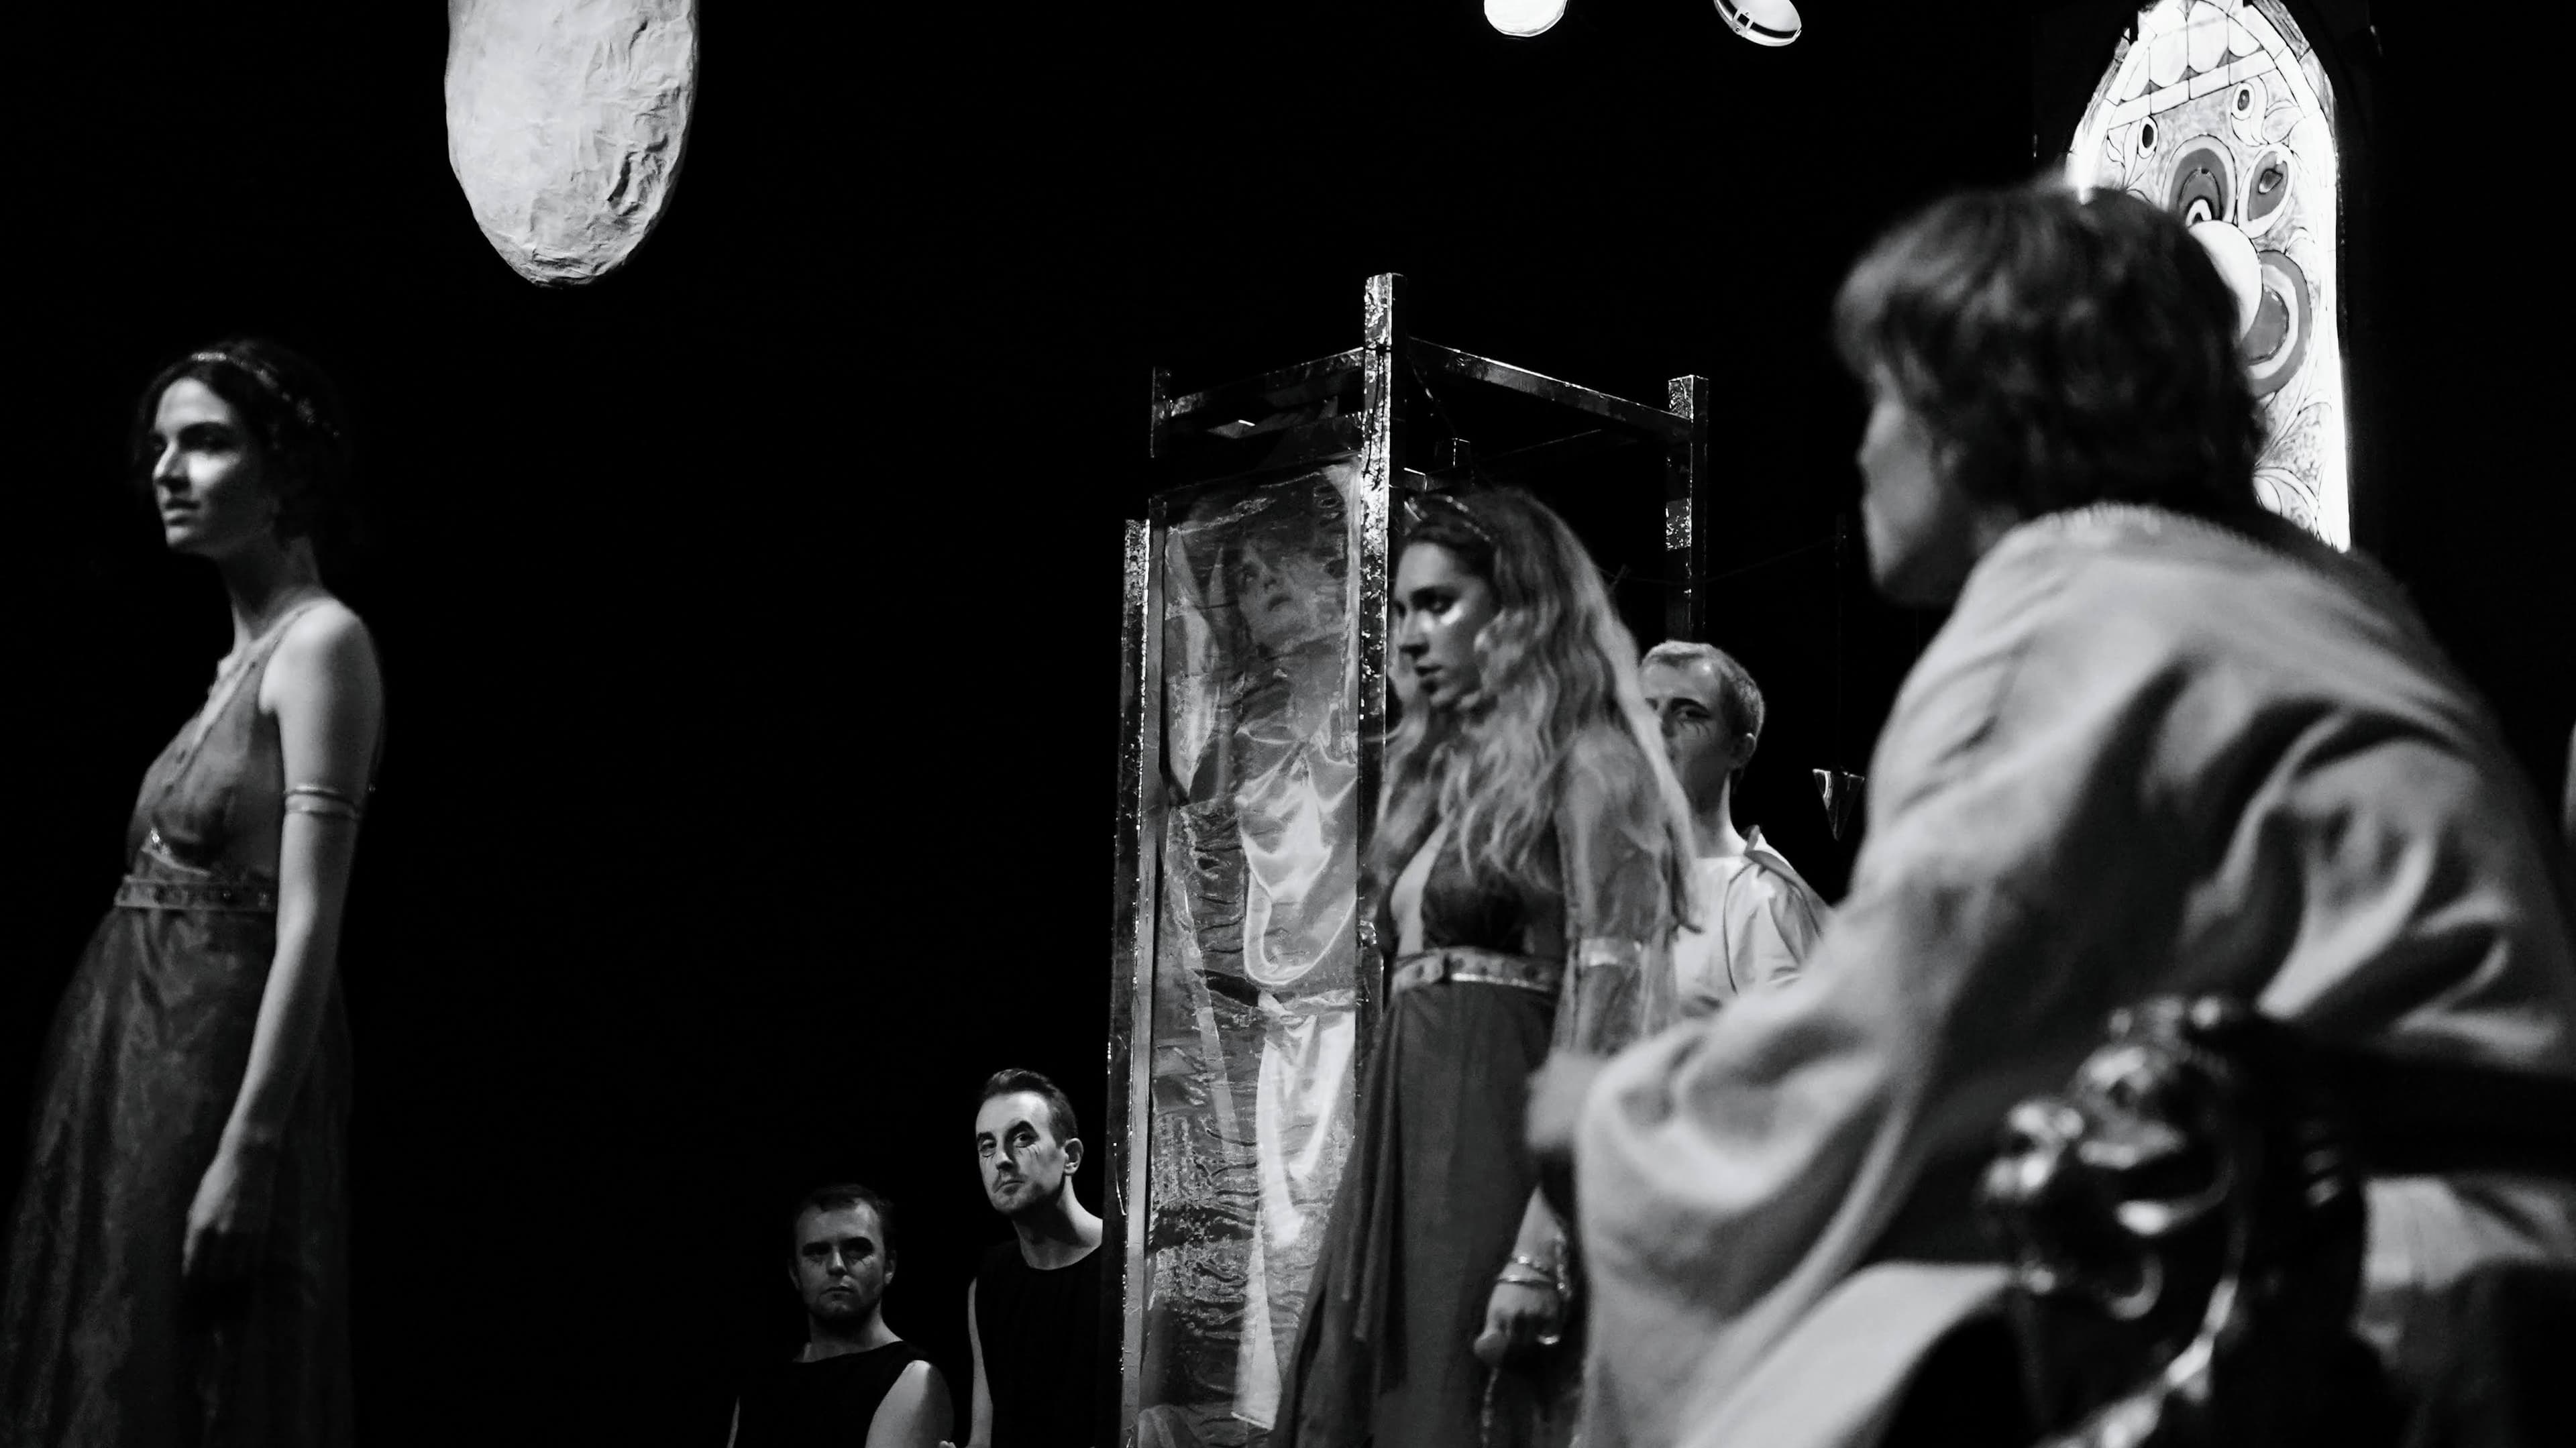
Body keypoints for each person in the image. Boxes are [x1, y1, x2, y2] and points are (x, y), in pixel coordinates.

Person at [1540, 180, 2576, 1447]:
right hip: (2499, 1272)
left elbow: (1892, 1053)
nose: (1861, 450)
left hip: (2330, 1315)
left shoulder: (2066, 620)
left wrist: (1609, 1124)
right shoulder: (2313, 595)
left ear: (1981, 415)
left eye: (1885, 400)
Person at [3, 338, 384, 1445]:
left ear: (285, 468)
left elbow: (311, 916)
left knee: (199, 1362)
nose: (169, 470)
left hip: (217, 1061)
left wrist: (248, 1146)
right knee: (115, 1344)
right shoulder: (234, 663)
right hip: (141, 1056)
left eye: (208, 442)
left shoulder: (323, 642)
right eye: (162, 446)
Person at [1275, 487, 1699, 1448]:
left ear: (1519, 611)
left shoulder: (1595, 766)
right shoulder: (1443, 785)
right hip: (1405, 1160)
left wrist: (1545, 1240)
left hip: (1501, 1164)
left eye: (1440, 604)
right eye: (1402, 608)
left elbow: (1616, 1005)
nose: (1410, 634)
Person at [1639, 641, 1829, 1015]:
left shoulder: (1761, 899)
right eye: (1643, 710)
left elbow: (1792, 1044)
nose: (1657, 728)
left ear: (1739, 750)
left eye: (1689, 714)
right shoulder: (1608, 877)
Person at [729, 1183, 951, 1448]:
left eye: (856, 1249)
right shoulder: (760, 1386)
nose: (836, 1265)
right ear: (794, 1273)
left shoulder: (913, 1376)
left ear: (889, 1265)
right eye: (817, 1252)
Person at [955, 1069, 1104, 1448]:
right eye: (987, 1146)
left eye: (1022, 1138)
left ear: (1071, 1156)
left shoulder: (1129, 1266)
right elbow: (984, 1437)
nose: (1002, 1159)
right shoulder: (990, 1283)